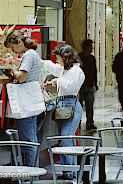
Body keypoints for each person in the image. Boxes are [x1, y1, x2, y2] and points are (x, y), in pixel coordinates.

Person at [44, 44, 85, 179]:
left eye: (59, 58)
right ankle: (70, 169)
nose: (57, 60)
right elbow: (53, 68)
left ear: (65, 58)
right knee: (67, 138)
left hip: (71, 105)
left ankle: (69, 171)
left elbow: (69, 85)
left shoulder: (76, 71)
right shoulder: (65, 70)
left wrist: (56, 81)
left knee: (65, 136)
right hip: (63, 105)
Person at [4, 30, 42, 166]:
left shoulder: (29, 55)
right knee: (29, 136)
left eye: (13, 47)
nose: (14, 51)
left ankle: (31, 173)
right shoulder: (32, 54)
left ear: (19, 42)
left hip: (27, 102)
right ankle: (31, 171)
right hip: (30, 101)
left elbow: (21, 77)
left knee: (28, 138)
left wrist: (11, 69)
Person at [79, 39, 98, 131]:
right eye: (90, 46)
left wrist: (95, 83)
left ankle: (90, 122)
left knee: (90, 105)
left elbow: (94, 71)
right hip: (80, 86)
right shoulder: (79, 58)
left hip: (90, 85)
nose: (92, 48)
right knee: (79, 105)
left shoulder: (92, 58)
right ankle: (78, 122)